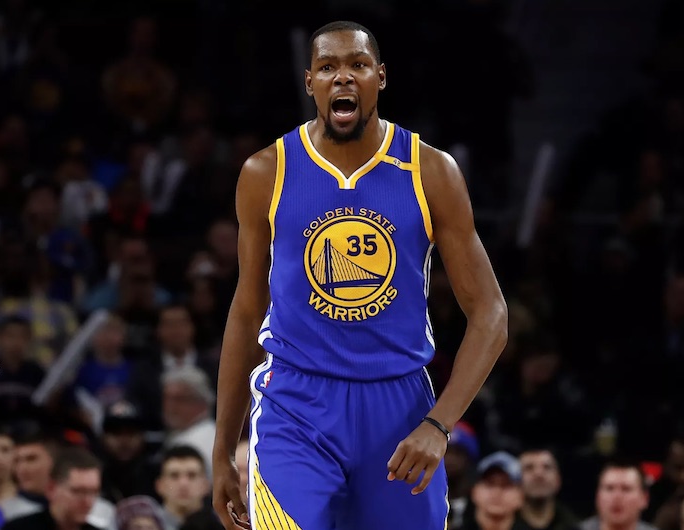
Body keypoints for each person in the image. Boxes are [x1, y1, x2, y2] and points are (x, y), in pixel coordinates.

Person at [211, 19, 508, 530]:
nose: (343, 77)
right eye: (328, 67)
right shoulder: (266, 172)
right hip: (297, 403)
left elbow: (491, 314)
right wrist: (221, 453)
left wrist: (439, 424)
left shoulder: (430, 170)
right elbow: (246, 311)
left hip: (399, 406)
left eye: (358, 65)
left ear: (381, 77)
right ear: (311, 83)